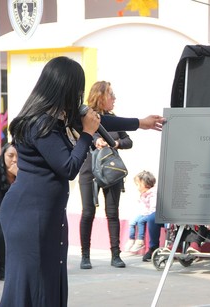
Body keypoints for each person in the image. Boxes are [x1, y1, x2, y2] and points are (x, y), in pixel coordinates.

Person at [0, 56, 165, 307]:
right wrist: (87, 135)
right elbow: (68, 167)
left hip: (45, 212)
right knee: (32, 283)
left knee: (50, 279)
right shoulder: (40, 123)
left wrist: (140, 123)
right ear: (63, 86)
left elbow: (102, 121)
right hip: (30, 215)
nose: (79, 95)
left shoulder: (57, 116)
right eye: (77, 88)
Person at [78, 81, 134, 270]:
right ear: (101, 97)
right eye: (112, 95)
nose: (114, 99)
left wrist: (115, 143)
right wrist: (96, 140)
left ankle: (115, 255)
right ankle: (85, 256)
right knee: (88, 212)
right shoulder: (86, 117)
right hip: (89, 169)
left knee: (112, 213)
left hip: (111, 170)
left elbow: (128, 141)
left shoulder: (113, 118)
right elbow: (82, 135)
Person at [125, 171, 163, 262]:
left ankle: (141, 241)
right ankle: (131, 239)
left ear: (145, 184)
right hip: (145, 213)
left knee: (145, 220)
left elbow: (153, 209)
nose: (137, 187)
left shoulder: (153, 193)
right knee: (133, 221)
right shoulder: (144, 194)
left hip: (152, 213)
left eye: (138, 184)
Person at [0, 143, 18, 281]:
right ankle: (2, 268)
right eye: (10, 156)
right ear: (3, 156)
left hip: (15, 216)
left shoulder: (22, 176)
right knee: (2, 225)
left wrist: (19, 177)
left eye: (18, 156)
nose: (14, 160)